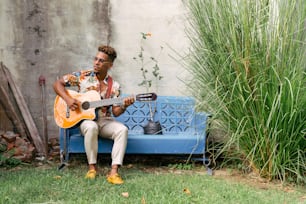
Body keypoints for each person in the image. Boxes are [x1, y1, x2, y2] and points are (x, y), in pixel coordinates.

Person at [53, 45, 134, 184]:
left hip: (104, 121)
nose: (96, 62)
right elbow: (57, 84)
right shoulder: (82, 76)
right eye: (96, 59)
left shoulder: (114, 86)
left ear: (110, 65)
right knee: (91, 127)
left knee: (122, 130)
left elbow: (116, 112)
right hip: (85, 120)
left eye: (101, 61)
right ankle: (92, 169)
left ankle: (114, 172)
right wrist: (68, 99)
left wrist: (125, 105)